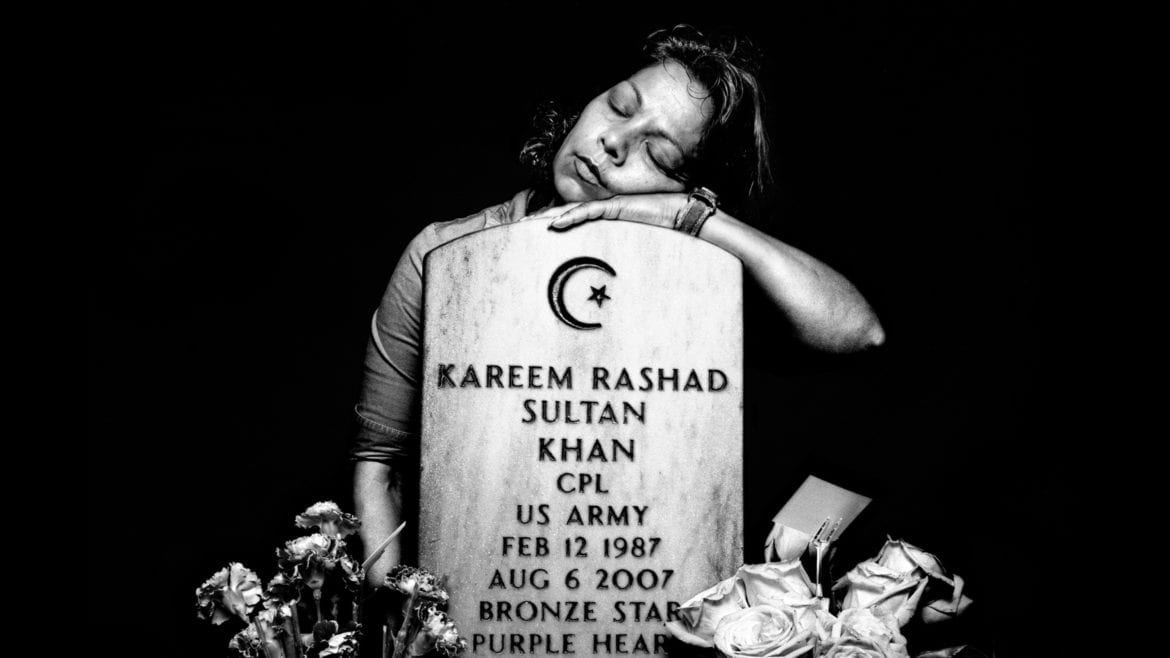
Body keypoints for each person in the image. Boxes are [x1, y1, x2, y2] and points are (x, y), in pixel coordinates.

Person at [351, 24, 884, 589]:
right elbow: (380, 468)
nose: (613, 143)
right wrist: (399, 618)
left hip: (643, 599)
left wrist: (693, 218)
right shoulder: (442, 255)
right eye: (619, 106)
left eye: (659, 153)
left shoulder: (701, 283)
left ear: (687, 184)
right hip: (478, 599)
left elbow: (858, 332)